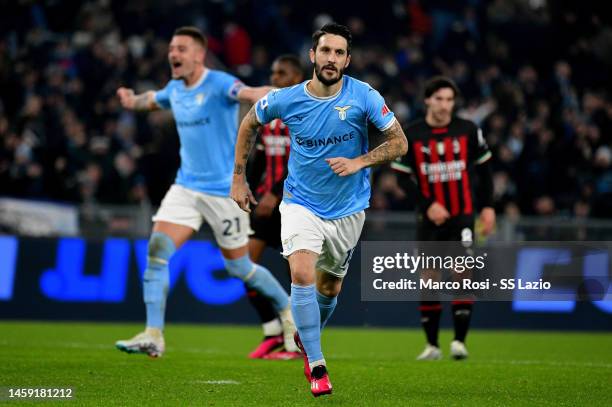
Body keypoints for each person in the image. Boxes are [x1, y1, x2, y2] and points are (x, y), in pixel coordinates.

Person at [231, 23, 408, 397]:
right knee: (301, 271)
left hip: (348, 209)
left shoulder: (364, 96)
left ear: (347, 59)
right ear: (313, 55)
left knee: (330, 286)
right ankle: (316, 363)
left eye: (339, 53)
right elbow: (250, 122)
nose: (332, 59)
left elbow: (399, 142)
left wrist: (360, 161)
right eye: (326, 51)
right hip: (300, 203)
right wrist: (238, 178)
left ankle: (306, 334)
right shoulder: (287, 98)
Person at [114, 26, 296, 358]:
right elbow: (151, 100)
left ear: (199, 55)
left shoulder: (219, 83)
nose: (174, 54)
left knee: (239, 268)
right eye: (172, 48)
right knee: (156, 252)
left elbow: (252, 93)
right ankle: (153, 334)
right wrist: (131, 101)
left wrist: (292, 96)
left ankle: (287, 314)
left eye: (182, 48)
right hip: (186, 187)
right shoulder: (175, 89)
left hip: (224, 192)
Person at [390, 76, 495, 360]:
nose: (445, 105)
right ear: (427, 100)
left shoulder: (468, 130)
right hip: (429, 220)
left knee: (462, 274)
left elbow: (485, 172)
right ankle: (432, 345)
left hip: (462, 215)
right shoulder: (411, 134)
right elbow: (402, 179)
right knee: (429, 278)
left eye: (450, 100)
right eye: (439, 99)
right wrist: (428, 205)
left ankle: (459, 342)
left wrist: (488, 207)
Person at [245, 55, 305, 360]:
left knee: (297, 276)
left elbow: (303, 163)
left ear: (296, 77)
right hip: (265, 205)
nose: (275, 77)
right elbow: (258, 159)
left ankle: (296, 342)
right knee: (244, 265)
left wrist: (275, 194)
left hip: (294, 205)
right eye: (273, 72)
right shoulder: (269, 113)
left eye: (281, 73)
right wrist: (249, 191)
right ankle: (272, 329)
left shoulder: (305, 112)